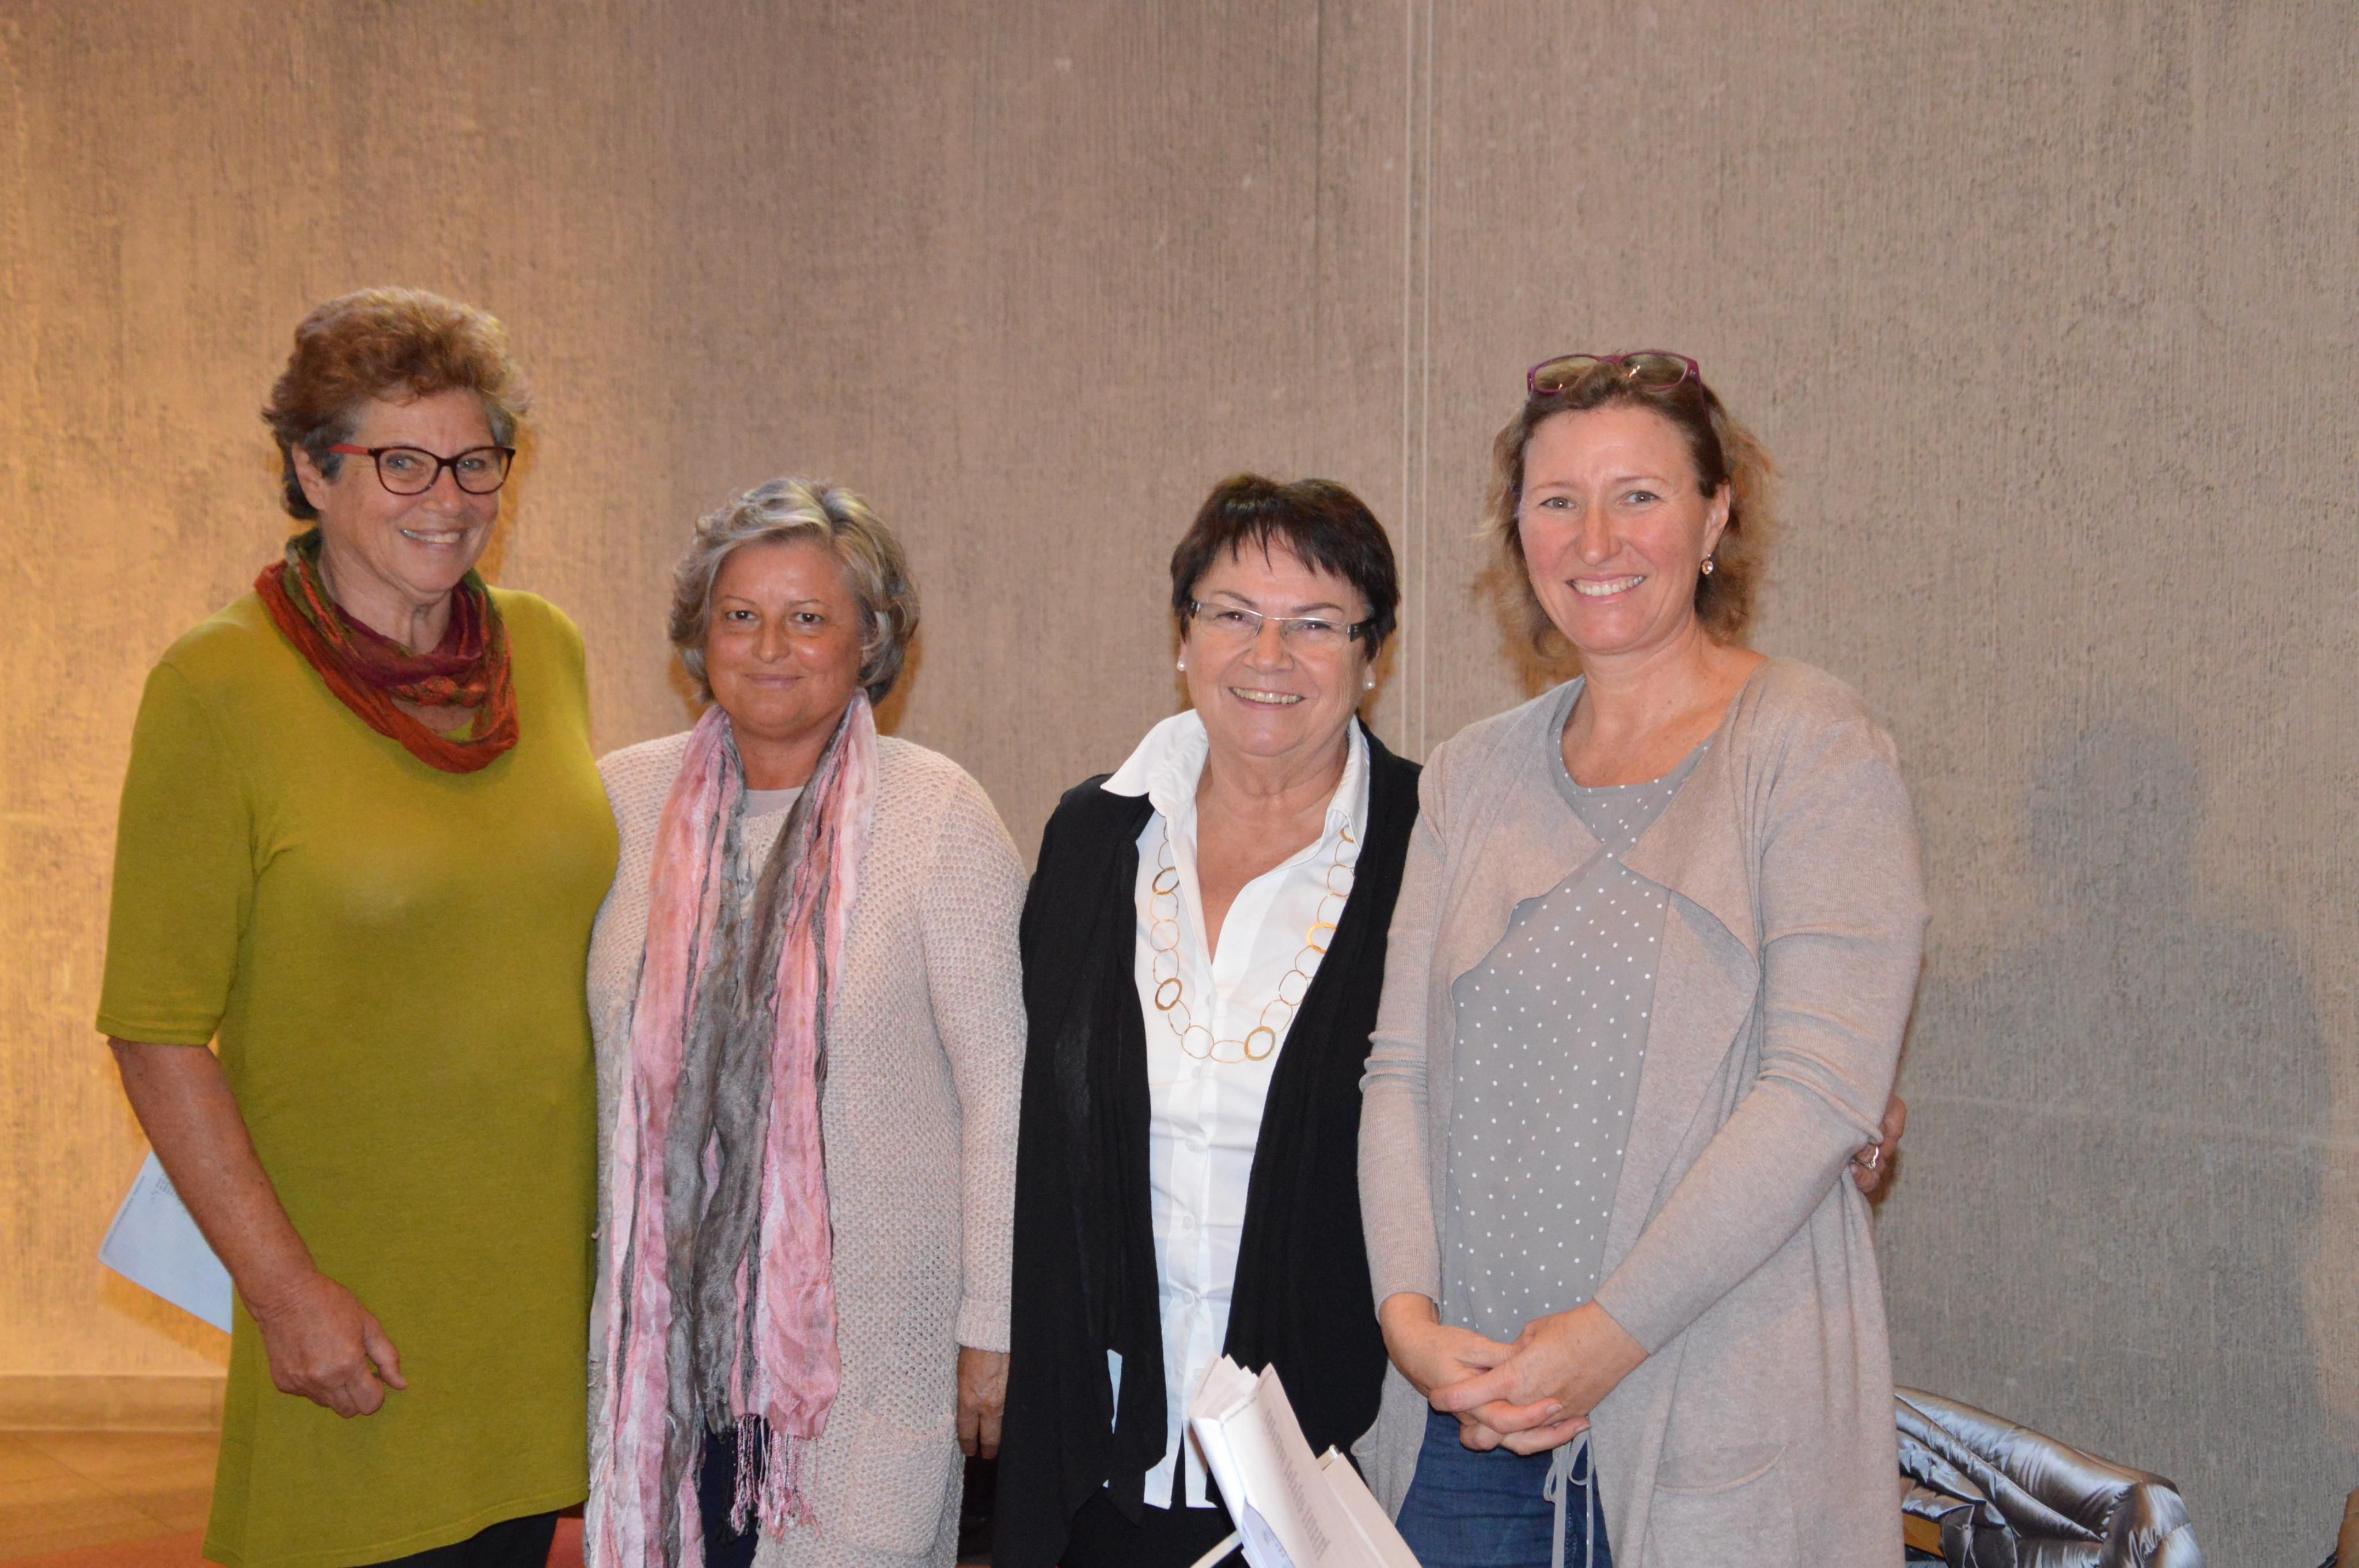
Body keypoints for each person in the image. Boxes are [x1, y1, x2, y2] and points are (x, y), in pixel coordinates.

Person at [1358, 350, 1930, 1567]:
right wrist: (1406, 1321)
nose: (1595, 539)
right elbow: (1397, 1071)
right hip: (1462, 1424)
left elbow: (1819, 1094)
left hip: (1714, 1411)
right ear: (1518, 534)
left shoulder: (1812, 749)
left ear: (1715, 517)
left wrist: (1606, 1339)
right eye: (1557, 501)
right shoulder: (1466, 773)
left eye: (1639, 496)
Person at [97, 288, 615, 1567]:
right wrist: (286, 1293)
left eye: (476, 460)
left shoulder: (544, 651)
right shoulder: (216, 687)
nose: (448, 497)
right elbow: (156, 1033)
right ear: (311, 471)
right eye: (400, 462)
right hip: (356, 1299)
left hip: (538, 1287)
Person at [585, 479, 1026, 1568]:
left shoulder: (939, 815)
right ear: (701, 636)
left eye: (809, 617)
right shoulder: (618, 804)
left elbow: (1004, 1091)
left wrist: (995, 1323)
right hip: (659, 1366)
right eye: (741, 615)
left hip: (870, 1360)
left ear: (870, 640)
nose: (770, 647)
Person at [994, 475, 1417, 1568]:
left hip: (1336, 1460)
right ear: (1183, 638)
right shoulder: (1094, 837)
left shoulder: (1432, 844)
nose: (1268, 655)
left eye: (1315, 623)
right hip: (1104, 1448)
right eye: (1232, 613)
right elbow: (1031, 1129)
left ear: (1372, 655)